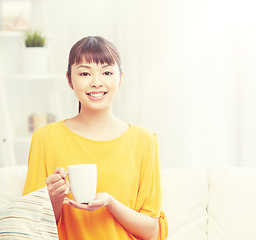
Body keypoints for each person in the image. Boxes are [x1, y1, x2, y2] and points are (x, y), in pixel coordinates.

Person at [23, 36, 168, 240]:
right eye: (84, 73)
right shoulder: (45, 139)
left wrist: (110, 202)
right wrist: (54, 198)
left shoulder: (144, 141)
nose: (96, 82)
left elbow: (151, 232)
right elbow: (30, 229)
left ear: (120, 77)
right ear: (69, 79)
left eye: (107, 72)